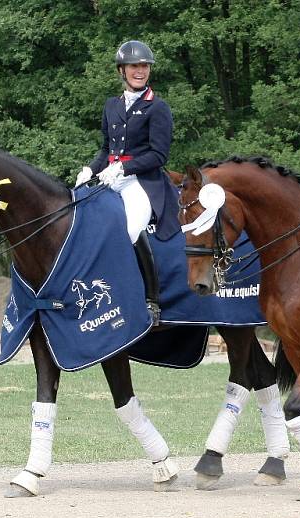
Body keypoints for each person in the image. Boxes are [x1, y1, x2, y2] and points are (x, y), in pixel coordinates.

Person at [76, 40, 179, 326]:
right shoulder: (112, 105)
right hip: (112, 178)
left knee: (132, 230)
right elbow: (106, 149)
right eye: (135, 66)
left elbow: (159, 155)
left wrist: (123, 167)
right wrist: (91, 168)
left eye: (144, 66)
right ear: (122, 70)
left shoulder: (157, 107)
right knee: (81, 222)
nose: (140, 71)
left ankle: (152, 300)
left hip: (142, 182)